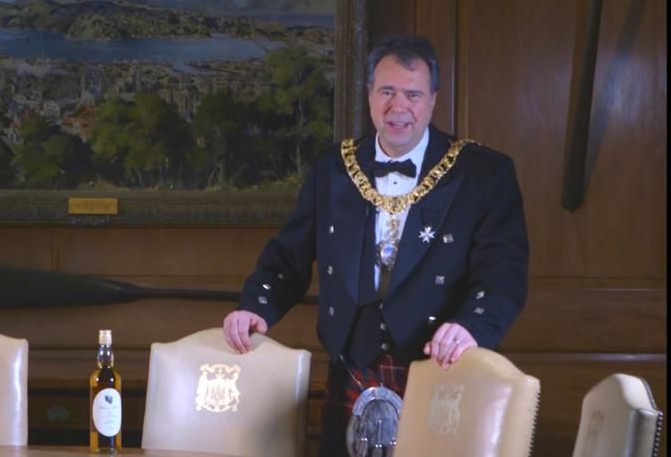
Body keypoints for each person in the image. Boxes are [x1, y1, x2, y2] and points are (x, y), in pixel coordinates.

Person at [222, 34, 528, 456]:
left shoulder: (481, 173)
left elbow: (504, 271)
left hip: (440, 371)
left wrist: (472, 326)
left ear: (434, 99)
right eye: (386, 91)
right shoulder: (333, 168)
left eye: (412, 94)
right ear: (369, 95)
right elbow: (289, 254)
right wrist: (256, 306)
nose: (397, 107)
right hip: (352, 367)